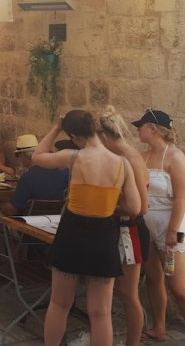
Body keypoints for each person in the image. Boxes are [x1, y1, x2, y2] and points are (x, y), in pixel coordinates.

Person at [32, 111, 140, 346]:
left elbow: (37, 156)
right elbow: (135, 206)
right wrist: (108, 202)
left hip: (72, 231)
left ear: (74, 136)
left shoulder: (73, 157)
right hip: (103, 233)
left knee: (59, 303)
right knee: (101, 312)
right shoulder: (122, 164)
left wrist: (56, 127)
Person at [134, 109, 185, 345]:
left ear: (153, 129)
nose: (137, 130)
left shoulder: (176, 157)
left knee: (178, 287)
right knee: (153, 279)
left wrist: (173, 232)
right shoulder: (142, 156)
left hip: (172, 227)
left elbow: (181, 199)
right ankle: (159, 327)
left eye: (141, 126)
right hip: (147, 225)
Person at [95, 107, 151, 346]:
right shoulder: (118, 156)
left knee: (129, 294)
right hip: (118, 229)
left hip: (132, 231)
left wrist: (107, 206)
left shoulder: (132, 159)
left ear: (105, 136)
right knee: (119, 292)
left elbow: (142, 207)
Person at [0, 134, 69, 216]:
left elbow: (12, 211)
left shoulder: (28, 178)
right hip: (58, 221)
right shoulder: (66, 173)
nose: (18, 159)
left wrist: (0, 205)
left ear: (24, 155)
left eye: (18, 155)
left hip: (29, 222)